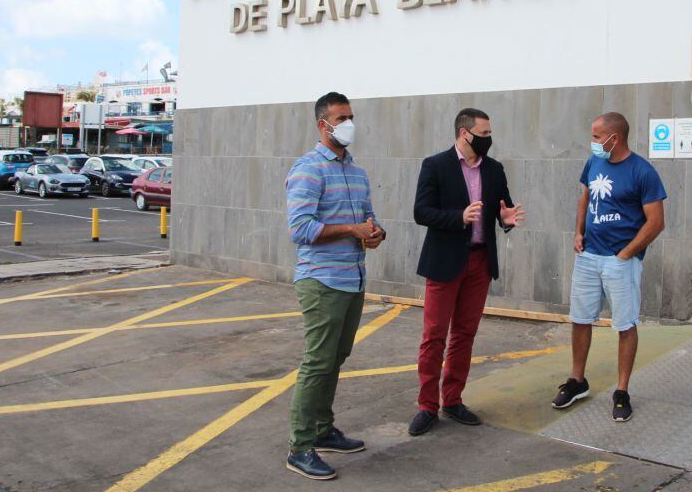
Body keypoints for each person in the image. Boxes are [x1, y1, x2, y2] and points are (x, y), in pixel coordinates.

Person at [285, 91, 386, 481]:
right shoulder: (308, 169)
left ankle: (322, 429)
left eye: (351, 116)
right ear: (322, 125)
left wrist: (375, 233)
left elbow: (368, 219)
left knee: (335, 358)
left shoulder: (357, 172)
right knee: (317, 361)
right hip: (321, 280)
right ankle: (299, 446)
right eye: (341, 118)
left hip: (352, 278)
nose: (348, 124)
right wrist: (351, 229)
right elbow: (300, 229)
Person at [409, 108, 526, 436]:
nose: (489, 139)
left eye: (490, 134)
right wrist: (458, 217)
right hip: (445, 261)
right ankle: (426, 406)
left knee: (465, 334)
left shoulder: (494, 169)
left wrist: (507, 220)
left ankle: (453, 399)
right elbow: (421, 212)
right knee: (434, 336)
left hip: (479, 263)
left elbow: (504, 209)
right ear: (465, 133)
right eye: (484, 134)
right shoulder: (435, 166)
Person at [551, 112, 666, 422]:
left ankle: (622, 391)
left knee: (625, 325)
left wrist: (626, 254)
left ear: (615, 138)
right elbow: (585, 198)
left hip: (620, 262)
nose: (594, 142)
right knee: (580, 319)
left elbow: (656, 222)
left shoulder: (643, 172)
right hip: (588, 256)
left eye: (598, 137)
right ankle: (577, 381)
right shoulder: (594, 163)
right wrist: (578, 233)